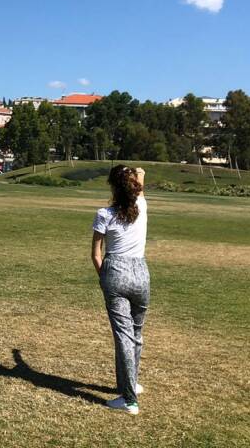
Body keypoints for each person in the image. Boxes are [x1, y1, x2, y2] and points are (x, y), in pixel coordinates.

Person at [92, 165, 150, 416]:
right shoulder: (143, 207)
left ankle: (129, 400)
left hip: (115, 269)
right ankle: (132, 384)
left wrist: (104, 278)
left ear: (113, 187)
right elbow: (141, 185)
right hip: (141, 273)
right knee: (136, 333)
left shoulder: (104, 214)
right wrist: (139, 173)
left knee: (123, 337)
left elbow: (96, 254)